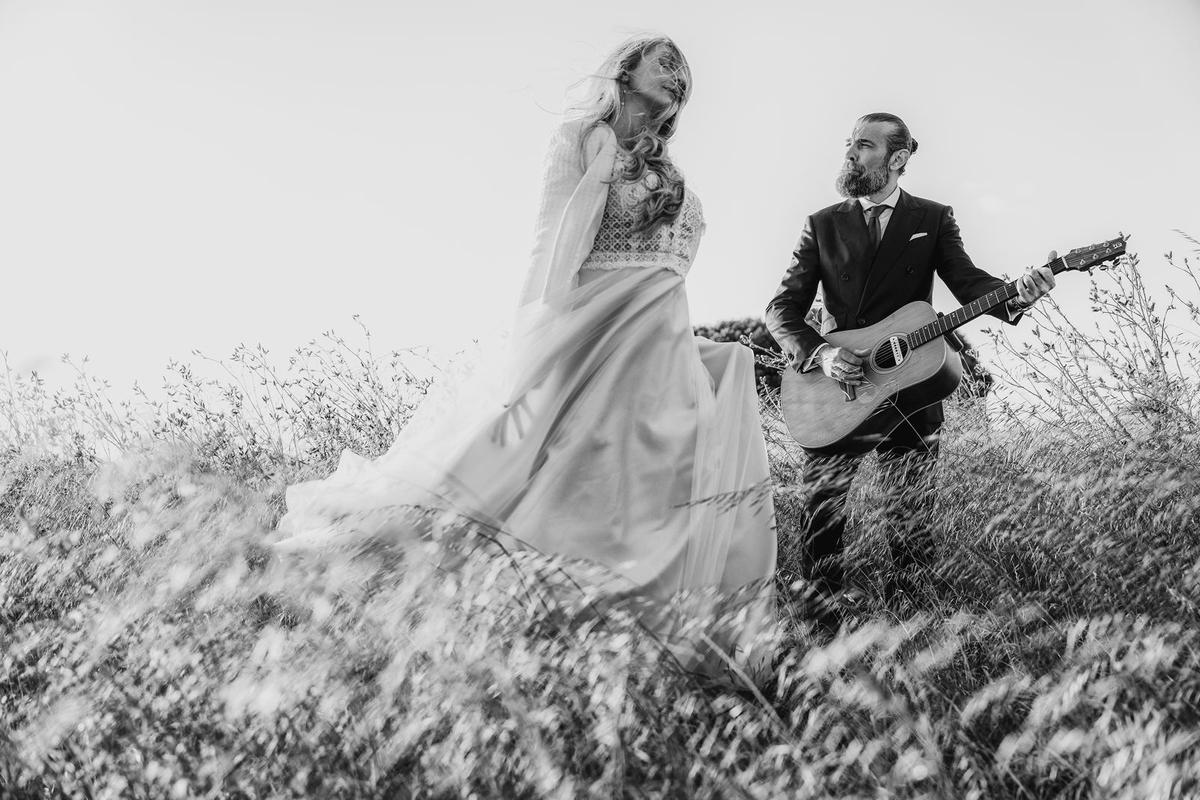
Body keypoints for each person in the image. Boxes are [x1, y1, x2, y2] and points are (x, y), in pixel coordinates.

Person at [276, 35, 777, 669]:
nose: (679, 75)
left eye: (685, 71)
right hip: (600, 343)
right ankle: (537, 622)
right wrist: (532, 345)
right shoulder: (579, 139)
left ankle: (655, 640)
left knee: (665, 490)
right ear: (625, 73)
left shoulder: (667, 171)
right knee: (555, 486)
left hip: (662, 350)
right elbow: (551, 244)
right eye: (664, 63)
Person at [764, 112, 1054, 617]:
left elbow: (968, 282)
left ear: (898, 159)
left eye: (865, 146)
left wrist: (1018, 296)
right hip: (838, 394)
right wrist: (824, 353)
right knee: (821, 523)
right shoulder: (822, 224)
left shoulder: (932, 218)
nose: (851, 153)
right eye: (849, 144)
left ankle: (915, 638)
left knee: (911, 528)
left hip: (911, 390)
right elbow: (781, 309)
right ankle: (817, 634)